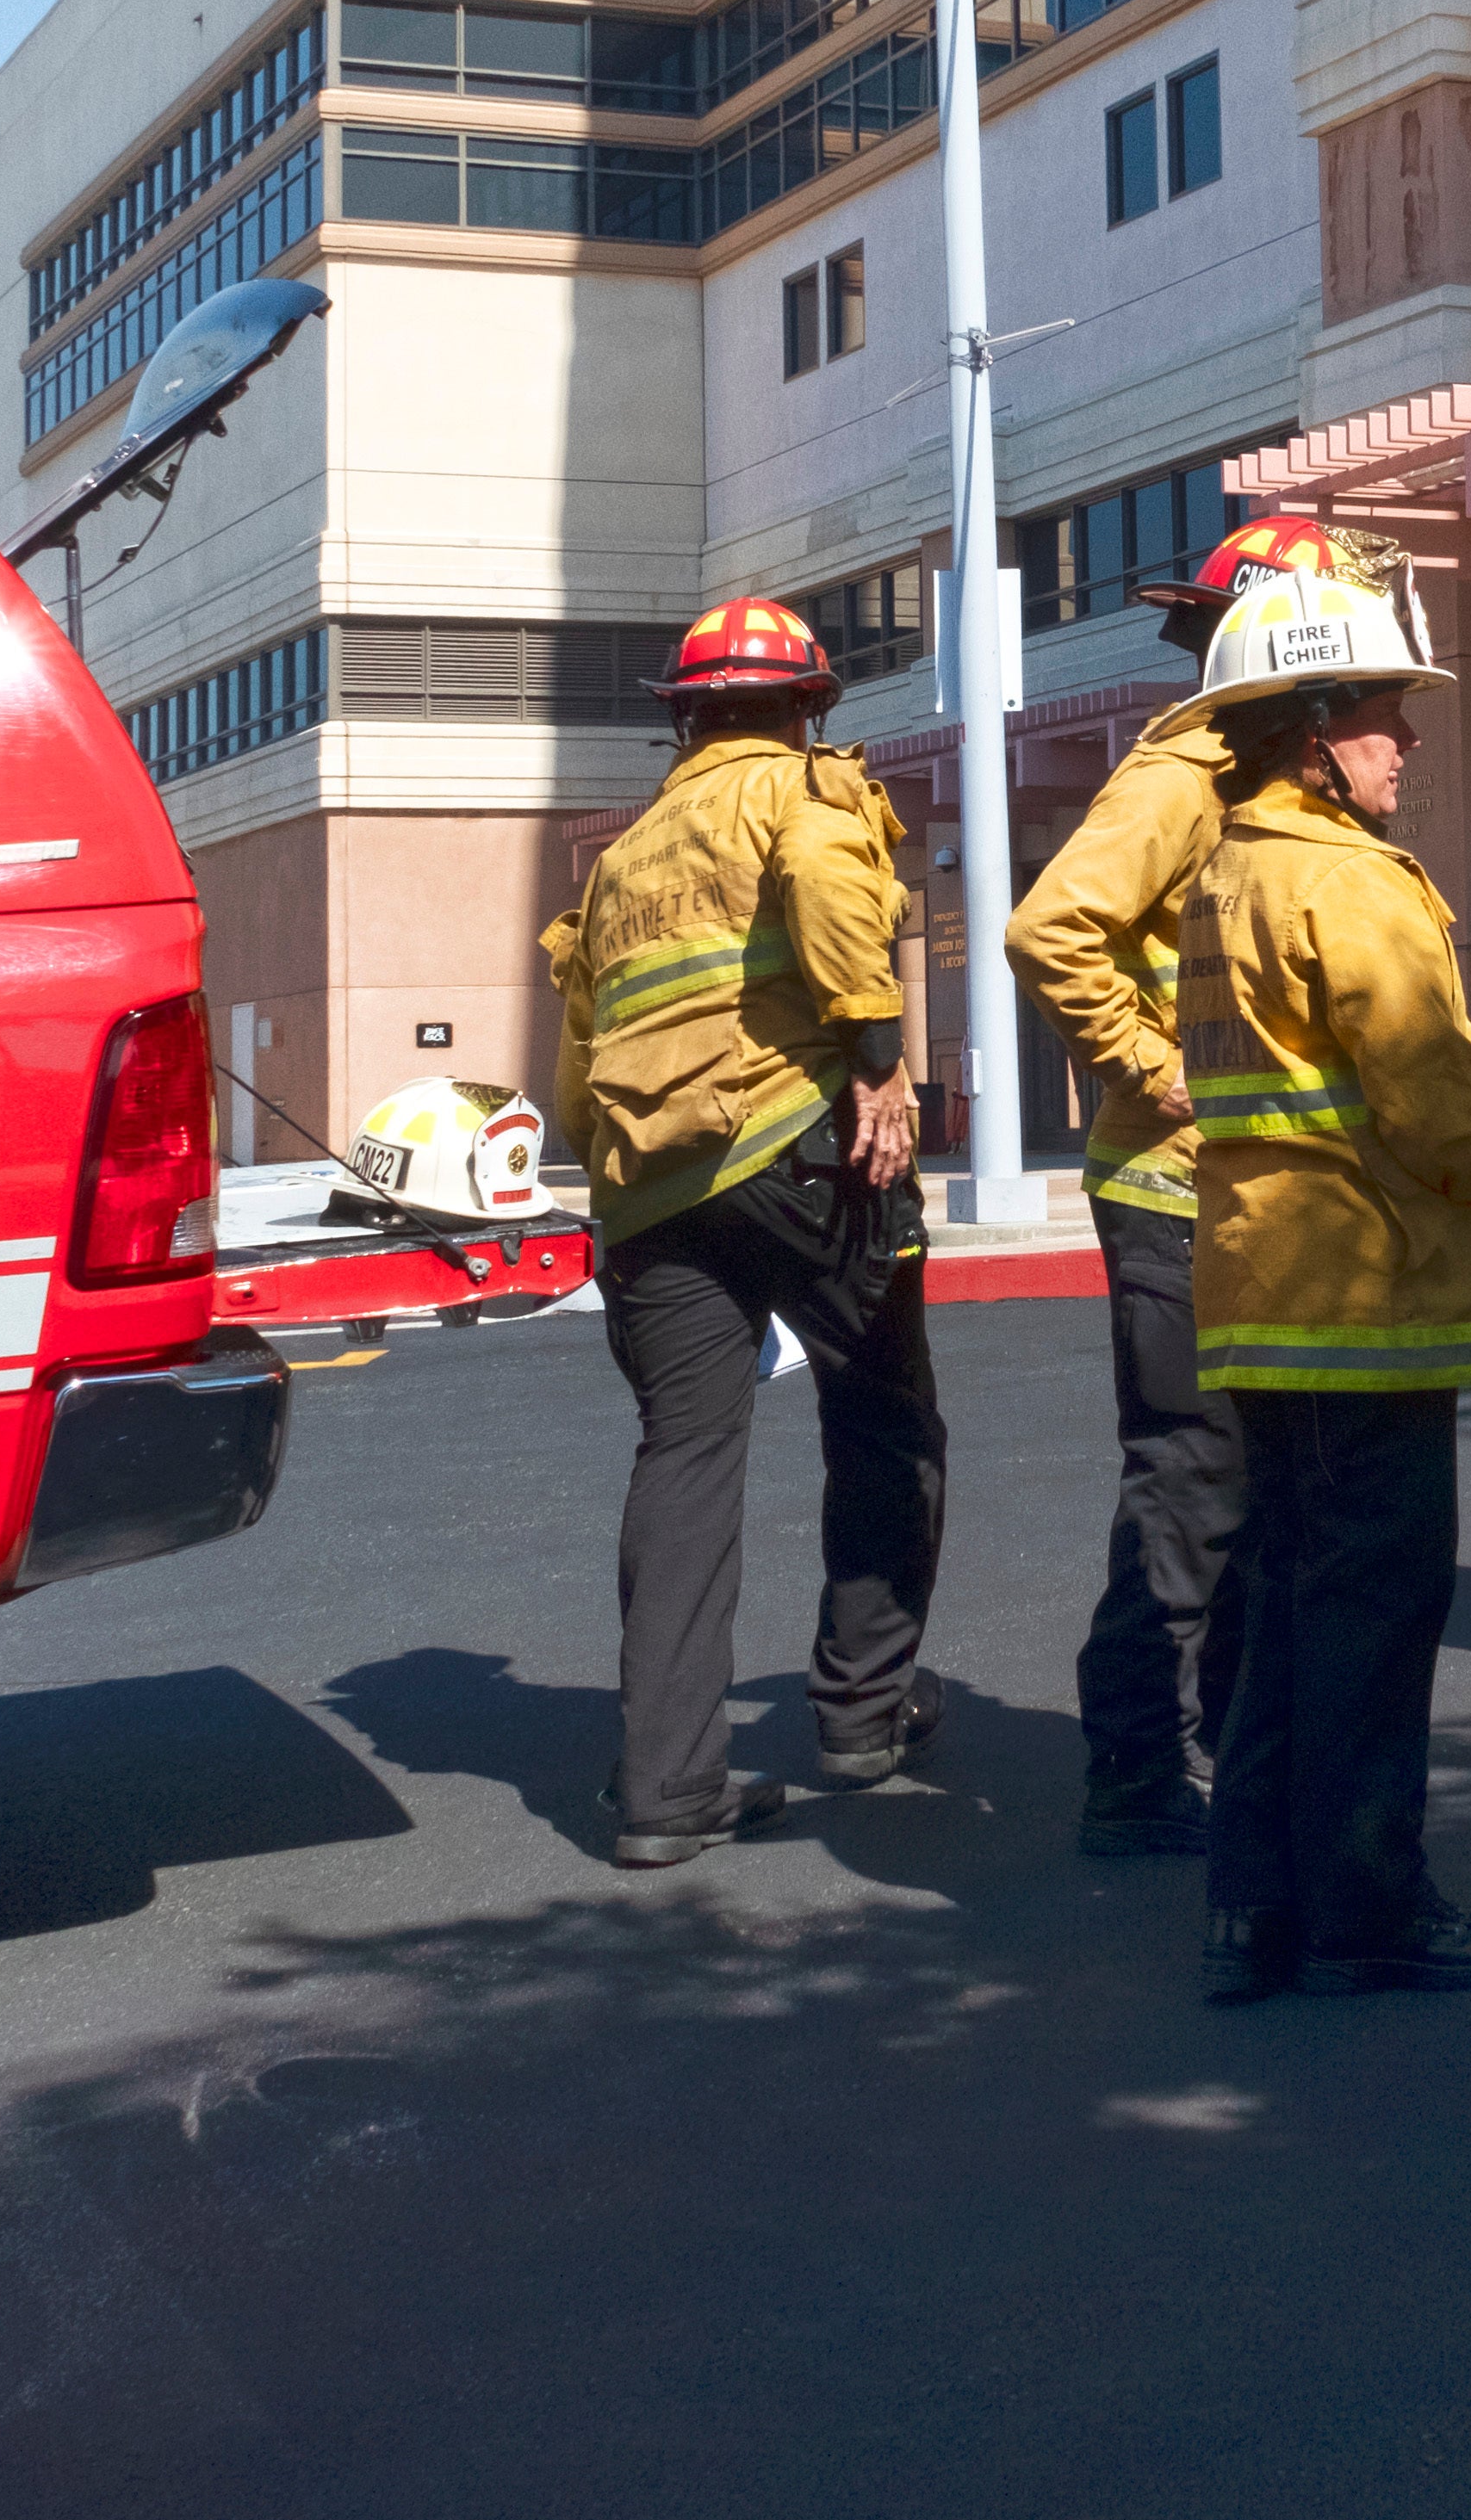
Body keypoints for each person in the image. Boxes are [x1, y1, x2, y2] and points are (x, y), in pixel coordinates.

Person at [1173, 542, 1471, 2003]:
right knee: (1374, 1625)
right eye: (1386, 711)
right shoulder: (1350, 884)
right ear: (1316, 728)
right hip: (1368, 1298)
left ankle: (1254, 1912)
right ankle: (1371, 1905)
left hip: (1265, 1295)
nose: (1409, 738)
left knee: (1290, 1614)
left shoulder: (1227, 873)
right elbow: (1435, 1098)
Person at [543, 594, 945, 1865]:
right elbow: (838, 899)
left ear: (685, 714)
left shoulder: (623, 859)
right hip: (799, 1150)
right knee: (884, 1411)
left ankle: (666, 1795)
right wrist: (878, 1061)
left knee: (686, 1459)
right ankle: (862, 1715)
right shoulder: (803, 792)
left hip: (648, 1190)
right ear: (808, 703)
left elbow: (575, 1070)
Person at [1002, 509, 1365, 1855]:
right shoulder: (1189, 771)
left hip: (1248, 1194)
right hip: (1172, 1187)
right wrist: (1151, 1068)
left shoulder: (1278, 782)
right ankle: (1137, 1767)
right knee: (1192, 1480)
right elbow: (1052, 926)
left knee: (1251, 1486)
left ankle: (1217, 1744)